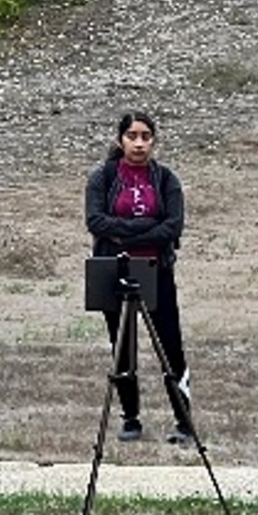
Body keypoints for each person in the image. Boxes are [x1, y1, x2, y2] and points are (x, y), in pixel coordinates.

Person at [84, 110, 190, 443]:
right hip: (113, 269)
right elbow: (96, 221)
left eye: (146, 136)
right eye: (132, 136)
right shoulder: (102, 177)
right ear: (120, 140)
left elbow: (172, 227)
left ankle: (184, 420)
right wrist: (146, 230)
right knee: (122, 345)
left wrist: (130, 234)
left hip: (156, 270)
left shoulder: (166, 179)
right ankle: (130, 417)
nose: (139, 143)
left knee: (170, 344)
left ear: (154, 141)